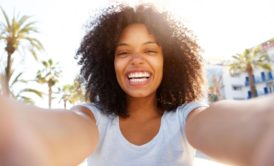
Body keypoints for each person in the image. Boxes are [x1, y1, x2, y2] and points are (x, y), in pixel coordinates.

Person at [0, 3, 274, 166]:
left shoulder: (185, 118)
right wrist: (16, 126)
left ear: (171, 61)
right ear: (109, 64)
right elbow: (43, 134)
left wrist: (263, 129)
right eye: (123, 52)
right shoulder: (93, 120)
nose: (136, 61)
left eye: (150, 51)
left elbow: (233, 124)